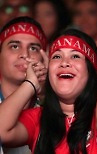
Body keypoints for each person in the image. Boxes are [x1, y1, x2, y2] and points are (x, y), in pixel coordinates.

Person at [0, 28, 97, 153]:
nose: (64, 63)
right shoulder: (37, 118)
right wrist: (31, 83)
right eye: (57, 56)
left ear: (91, 71)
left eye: (75, 56)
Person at [0, 16, 48, 154]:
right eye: (15, 46)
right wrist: (30, 84)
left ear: (44, 59)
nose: (24, 54)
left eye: (33, 48)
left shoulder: (56, 108)